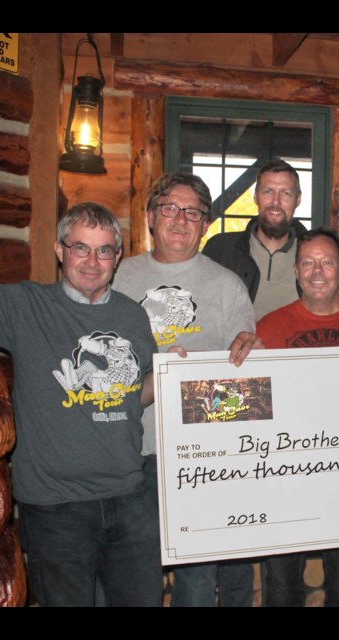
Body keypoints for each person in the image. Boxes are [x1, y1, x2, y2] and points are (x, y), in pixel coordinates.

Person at [0, 202, 162, 607]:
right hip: (55, 507)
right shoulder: (23, 306)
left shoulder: (133, 317)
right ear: (60, 250)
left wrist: (168, 377)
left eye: (104, 250)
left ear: (117, 257)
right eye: (81, 247)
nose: (92, 262)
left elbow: (135, 393)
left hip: (130, 496)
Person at [113, 172, 260, 607]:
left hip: (200, 455)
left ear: (205, 224)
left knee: (196, 576)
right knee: (134, 572)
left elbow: (246, 387)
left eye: (192, 211)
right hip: (128, 451)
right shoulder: (118, 276)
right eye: (170, 208)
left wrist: (253, 354)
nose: (180, 219)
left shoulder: (227, 285)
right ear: (151, 217)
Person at [257, 228, 339, 606]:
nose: (317, 271)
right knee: (281, 590)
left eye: (327, 262)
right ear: (296, 270)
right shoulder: (267, 328)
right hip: (284, 481)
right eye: (308, 262)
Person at [203, 159, 307, 319]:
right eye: (268, 191)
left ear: (298, 200)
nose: (275, 202)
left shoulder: (312, 256)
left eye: (286, 193)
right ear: (256, 197)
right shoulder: (220, 249)